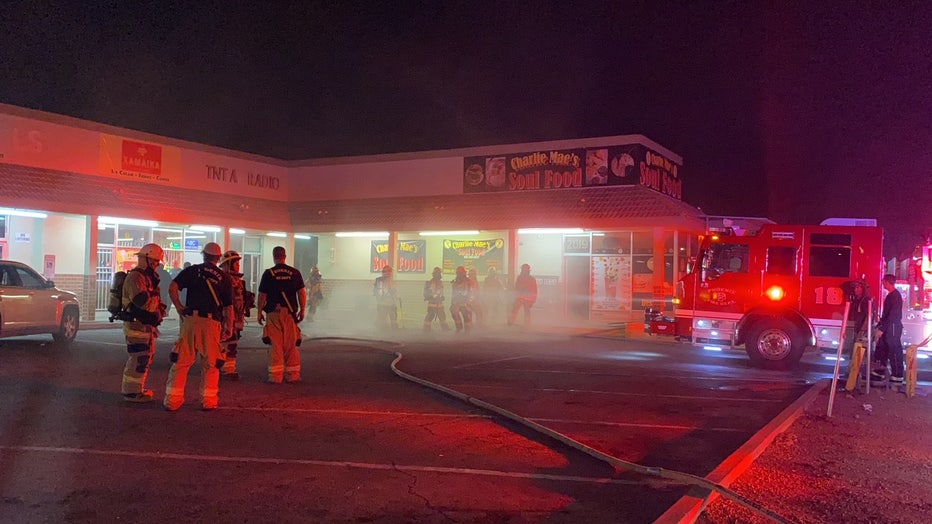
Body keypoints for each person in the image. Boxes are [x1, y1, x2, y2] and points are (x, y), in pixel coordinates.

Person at [163, 242, 234, 411]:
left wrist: (179, 307)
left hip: (190, 320)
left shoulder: (193, 270)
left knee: (181, 362)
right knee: (211, 364)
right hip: (211, 323)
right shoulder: (224, 277)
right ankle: (208, 401)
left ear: (203, 255)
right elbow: (228, 307)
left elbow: (172, 287)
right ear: (218, 258)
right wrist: (229, 326)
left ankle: (172, 401)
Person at [120, 243, 168, 403]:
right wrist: (155, 302)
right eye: (155, 262)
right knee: (139, 358)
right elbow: (143, 302)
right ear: (146, 259)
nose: (156, 266)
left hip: (144, 326)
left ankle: (135, 389)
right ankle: (132, 393)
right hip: (136, 326)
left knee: (145, 357)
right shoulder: (135, 277)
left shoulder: (145, 277)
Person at [257, 246, 306, 384]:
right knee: (291, 344)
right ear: (284, 256)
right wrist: (302, 310)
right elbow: (301, 293)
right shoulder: (294, 273)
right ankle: (293, 375)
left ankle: (276, 377)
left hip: (273, 313)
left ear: (274, 257)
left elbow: (262, 295)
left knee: (275, 345)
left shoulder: (269, 273)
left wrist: (260, 311)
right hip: (290, 314)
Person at [219, 250, 251, 381]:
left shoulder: (238, 280)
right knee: (224, 343)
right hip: (225, 317)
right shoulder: (222, 278)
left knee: (233, 343)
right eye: (235, 262)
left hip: (237, 318)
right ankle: (219, 368)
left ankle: (229, 369)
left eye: (238, 263)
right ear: (228, 264)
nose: (238, 265)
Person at [873, 274, 904, 384]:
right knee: (882, 348)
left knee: (894, 350)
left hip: (893, 328)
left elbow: (892, 315)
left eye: (883, 282)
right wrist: (880, 325)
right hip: (889, 327)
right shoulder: (892, 295)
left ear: (886, 282)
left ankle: (897, 375)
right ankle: (880, 371)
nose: (882, 284)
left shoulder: (894, 296)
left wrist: (883, 328)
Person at [840, 279, 871, 380]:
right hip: (856, 329)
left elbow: (868, 316)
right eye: (854, 288)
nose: (856, 290)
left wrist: (862, 331)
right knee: (853, 352)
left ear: (863, 289)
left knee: (858, 354)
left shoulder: (866, 300)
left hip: (862, 331)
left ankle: (856, 377)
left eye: (858, 288)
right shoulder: (856, 300)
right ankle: (852, 375)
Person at [508, 263, 538, 327]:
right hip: (522, 297)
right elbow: (516, 288)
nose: (523, 271)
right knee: (516, 310)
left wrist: (533, 300)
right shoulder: (521, 278)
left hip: (525, 298)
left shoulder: (530, 279)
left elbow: (534, 290)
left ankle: (525, 324)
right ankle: (512, 322)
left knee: (523, 311)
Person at [423, 266, 450, 331]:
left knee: (442, 316)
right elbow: (426, 293)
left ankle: (445, 329)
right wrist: (431, 297)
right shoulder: (429, 282)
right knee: (430, 316)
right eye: (437, 273)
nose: (438, 274)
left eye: (439, 273)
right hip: (432, 303)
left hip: (439, 303)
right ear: (435, 274)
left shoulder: (440, 282)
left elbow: (441, 291)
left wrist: (442, 297)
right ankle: (426, 329)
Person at [373, 265, 399, 330]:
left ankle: (394, 333)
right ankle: (378, 333)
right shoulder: (379, 280)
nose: (389, 273)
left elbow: (394, 292)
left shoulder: (391, 280)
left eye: (390, 272)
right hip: (383, 304)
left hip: (391, 304)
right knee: (381, 321)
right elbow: (377, 292)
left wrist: (397, 297)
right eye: (388, 271)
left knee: (394, 321)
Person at [449, 266, 473, 333]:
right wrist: (453, 303)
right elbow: (453, 293)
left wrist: (468, 303)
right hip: (457, 302)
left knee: (466, 317)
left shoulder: (468, 282)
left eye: (460, 273)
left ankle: (467, 332)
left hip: (465, 302)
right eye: (458, 273)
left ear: (463, 273)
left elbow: (471, 293)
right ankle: (459, 328)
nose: (459, 275)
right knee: (454, 313)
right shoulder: (455, 282)